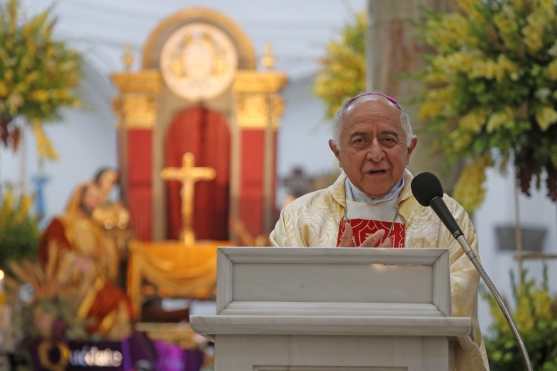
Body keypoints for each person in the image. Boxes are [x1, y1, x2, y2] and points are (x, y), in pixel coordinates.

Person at [270, 91, 489, 371]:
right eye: (360, 141)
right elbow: (277, 298)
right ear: (337, 152)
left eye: (388, 140)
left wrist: (380, 278)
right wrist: (333, 275)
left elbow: (459, 302)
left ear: (409, 149)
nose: (376, 153)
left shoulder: (445, 216)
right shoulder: (300, 218)